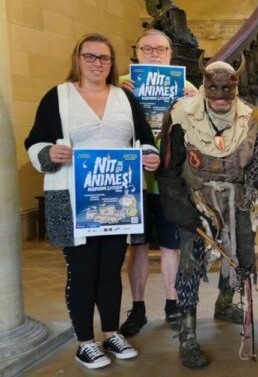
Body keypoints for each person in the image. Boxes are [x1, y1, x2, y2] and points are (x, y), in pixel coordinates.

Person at [24, 33, 159, 369]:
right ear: (77, 58)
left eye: (105, 58)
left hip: (118, 197)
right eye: (91, 57)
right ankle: (85, 342)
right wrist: (48, 152)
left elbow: (144, 139)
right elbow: (35, 142)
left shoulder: (125, 98)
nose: (98, 63)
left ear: (112, 64)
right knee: (83, 271)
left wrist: (150, 155)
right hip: (73, 198)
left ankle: (111, 332)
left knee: (110, 270)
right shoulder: (58, 97)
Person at [157, 60, 258, 368]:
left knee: (239, 255)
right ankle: (187, 335)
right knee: (190, 265)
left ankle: (225, 304)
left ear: (236, 85)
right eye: (214, 87)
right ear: (204, 84)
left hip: (236, 199)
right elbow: (169, 169)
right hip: (195, 200)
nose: (221, 95)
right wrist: (178, 207)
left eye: (228, 87)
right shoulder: (180, 114)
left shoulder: (251, 117)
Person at [118, 29, 198, 337]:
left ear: (169, 54)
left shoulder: (187, 85)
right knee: (136, 247)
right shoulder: (121, 83)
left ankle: (172, 302)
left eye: (161, 49)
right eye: (147, 48)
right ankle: (137, 307)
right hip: (131, 180)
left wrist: (196, 103)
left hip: (169, 179)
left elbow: (200, 131)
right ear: (137, 52)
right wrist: (119, 95)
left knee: (170, 246)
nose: (154, 53)